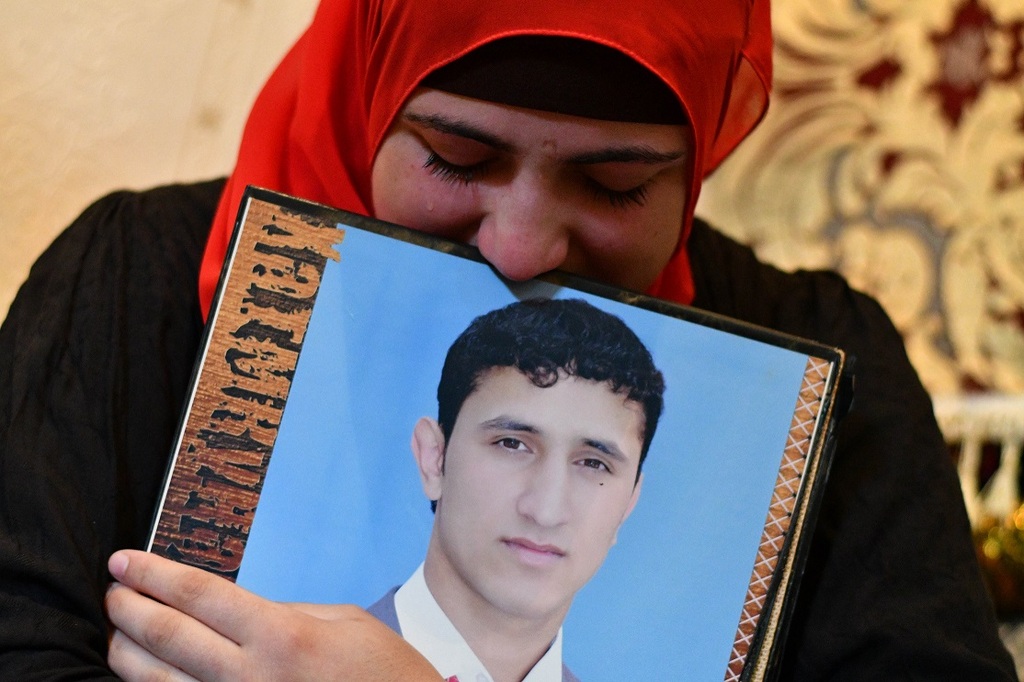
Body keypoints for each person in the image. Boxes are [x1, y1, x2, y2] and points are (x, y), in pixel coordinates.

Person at [0, 0, 1015, 680]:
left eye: (615, 184)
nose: (521, 247)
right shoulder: (131, 285)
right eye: (455, 156)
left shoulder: (824, 362)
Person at [367, 298, 664, 682]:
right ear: (434, 459)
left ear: (628, 505)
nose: (545, 511)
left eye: (594, 464)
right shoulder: (297, 665)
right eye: (512, 444)